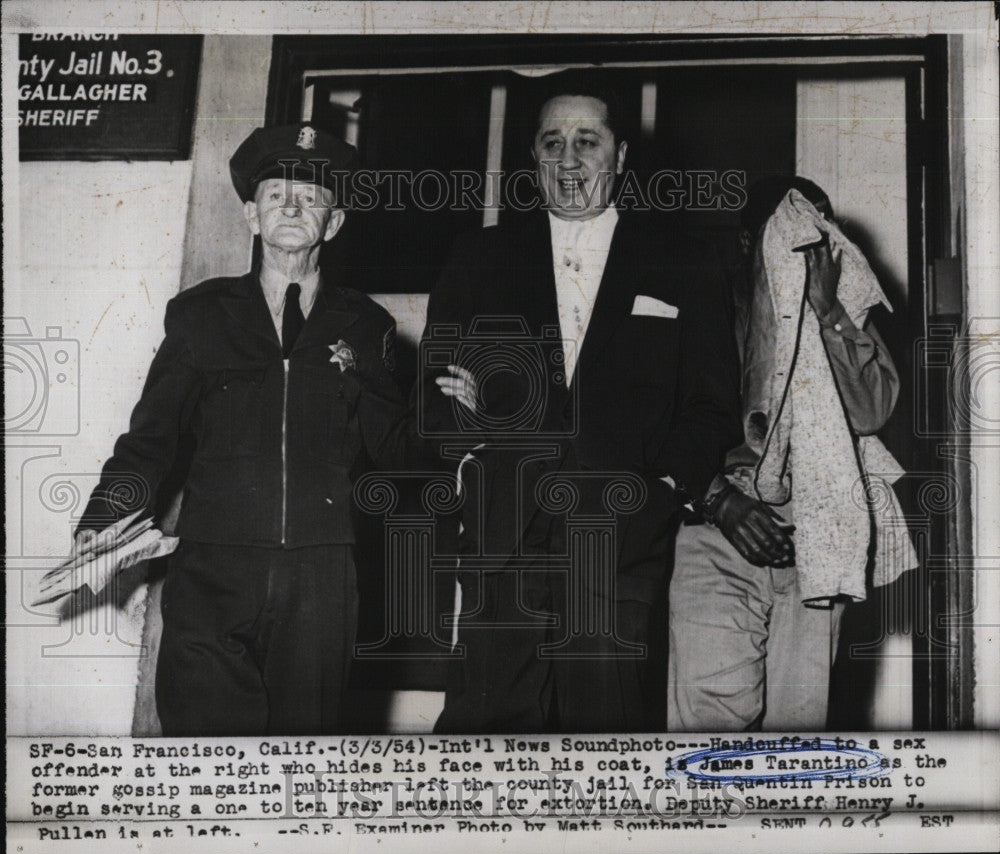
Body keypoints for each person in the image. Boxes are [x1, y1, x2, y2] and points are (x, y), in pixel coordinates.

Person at [74, 123, 421, 736]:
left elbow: (399, 455)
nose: (292, 206)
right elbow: (150, 440)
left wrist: (365, 382)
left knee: (302, 765)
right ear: (250, 216)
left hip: (321, 580)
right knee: (205, 758)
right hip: (213, 569)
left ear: (333, 224)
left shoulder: (368, 325)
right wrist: (104, 521)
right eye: (276, 194)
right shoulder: (200, 315)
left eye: (311, 197)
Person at [421, 75, 742, 732]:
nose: (569, 159)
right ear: (534, 158)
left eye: (587, 141)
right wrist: (464, 423)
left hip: (621, 536)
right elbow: (433, 392)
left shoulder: (685, 261)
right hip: (503, 531)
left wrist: (664, 487)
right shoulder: (479, 257)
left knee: (605, 732)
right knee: (485, 737)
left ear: (620, 157)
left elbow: (712, 405)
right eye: (552, 142)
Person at [667, 176, 915, 731]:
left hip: (819, 531)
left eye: (821, 230)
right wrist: (720, 502)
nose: (808, 245)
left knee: (798, 724)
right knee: (708, 727)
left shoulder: (842, 309)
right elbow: (663, 424)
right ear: (748, 242)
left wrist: (829, 312)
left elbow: (872, 410)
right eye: (789, 231)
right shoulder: (705, 307)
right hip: (717, 528)